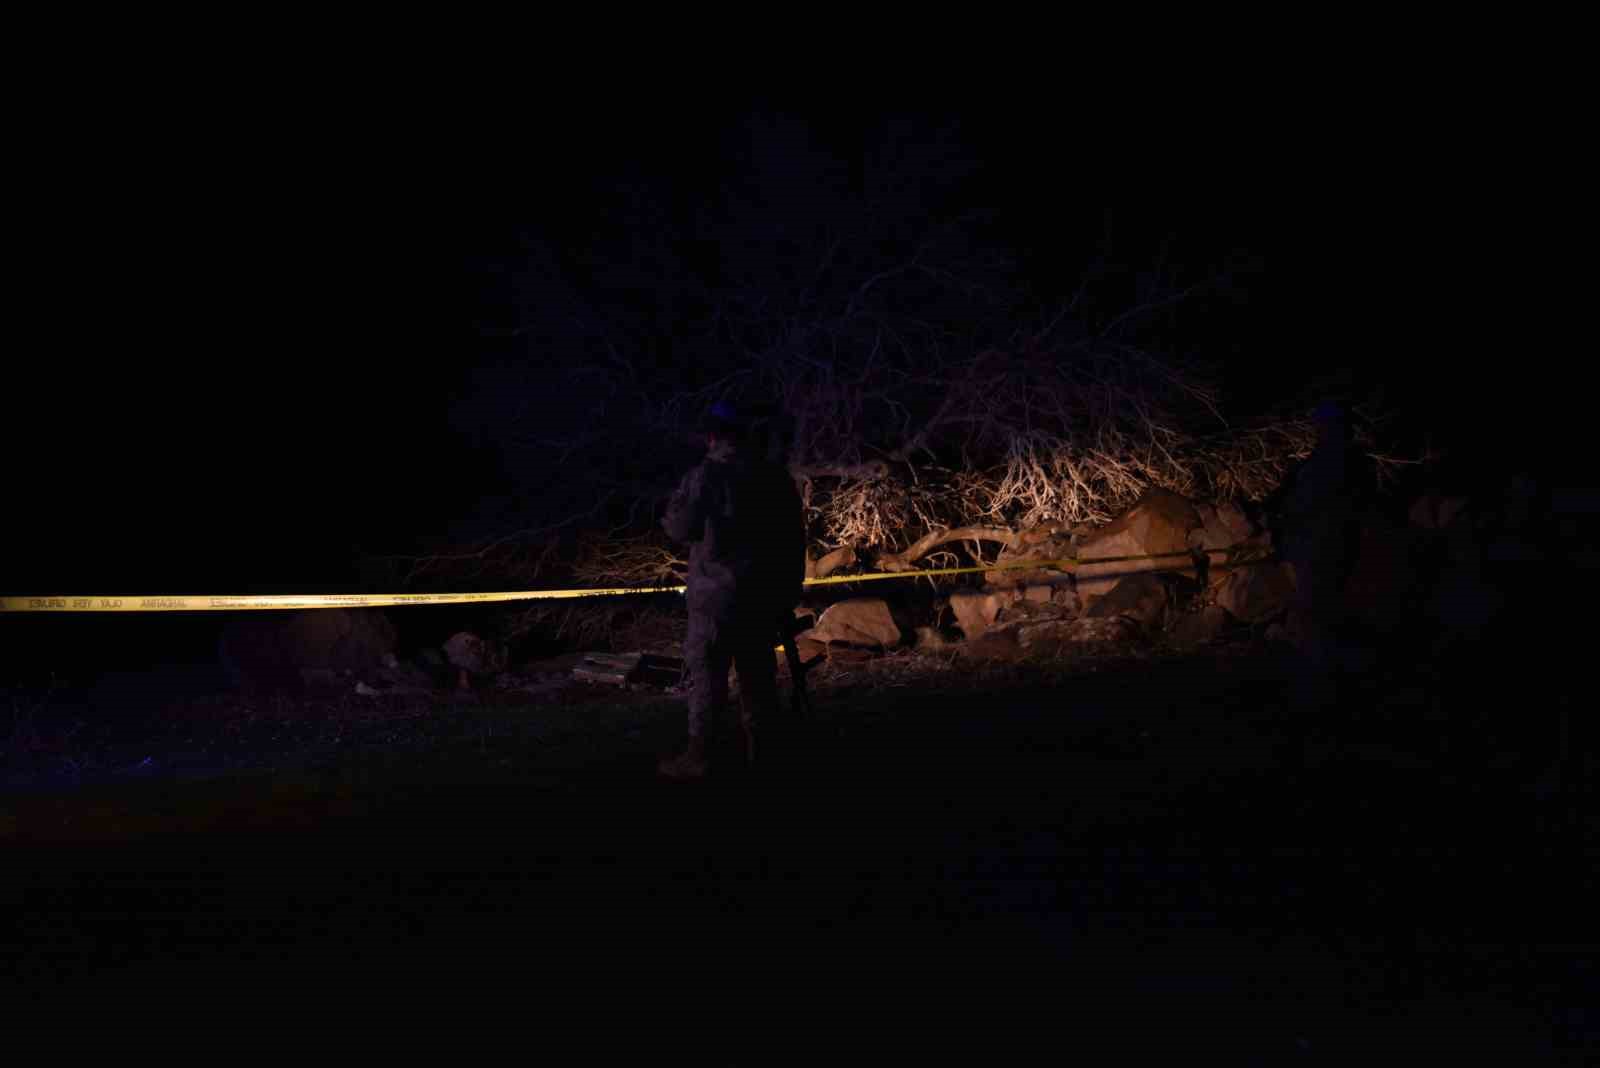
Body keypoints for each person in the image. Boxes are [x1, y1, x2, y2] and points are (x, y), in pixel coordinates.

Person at [658, 401, 806, 780]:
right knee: (758, 681)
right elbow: (793, 541)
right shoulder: (775, 478)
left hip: (714, 601)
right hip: (759, 600)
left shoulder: (705, 476)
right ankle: (764, 756)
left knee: (708, 680)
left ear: (711, 437)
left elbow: (680, 528)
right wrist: (787, 594)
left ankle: (702, 757)